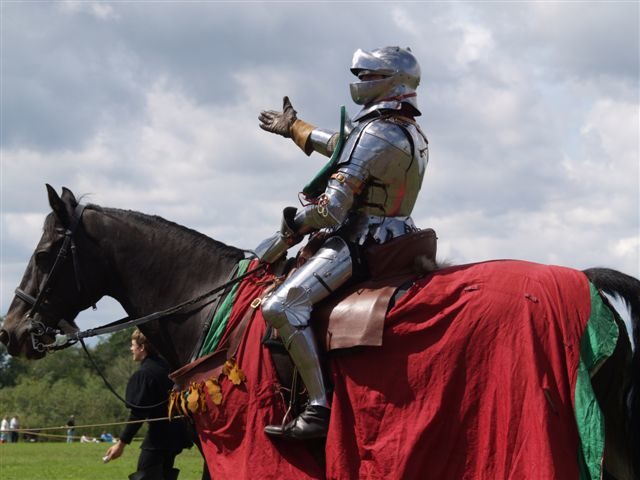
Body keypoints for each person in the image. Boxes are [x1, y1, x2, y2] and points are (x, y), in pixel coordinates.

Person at [256, 46, 429, 440]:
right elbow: (343, 144)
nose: (360, 82)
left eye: (368, 76)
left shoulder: (377, 131)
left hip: (363, 239)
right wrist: (295, 128)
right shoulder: (403, 129)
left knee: (281, 306)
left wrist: (285, 235)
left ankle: (317, 407)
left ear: (390, 82)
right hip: (400, 233)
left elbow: (330, 210)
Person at [104, 329, 192, 480]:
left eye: (133, 345)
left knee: (145, 476)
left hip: (158, 440)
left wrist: (121, 444)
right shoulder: (167, 366)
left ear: (142, 347)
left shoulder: (145, 374)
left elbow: (138, 413)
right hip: (177, 437)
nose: (131, 349)